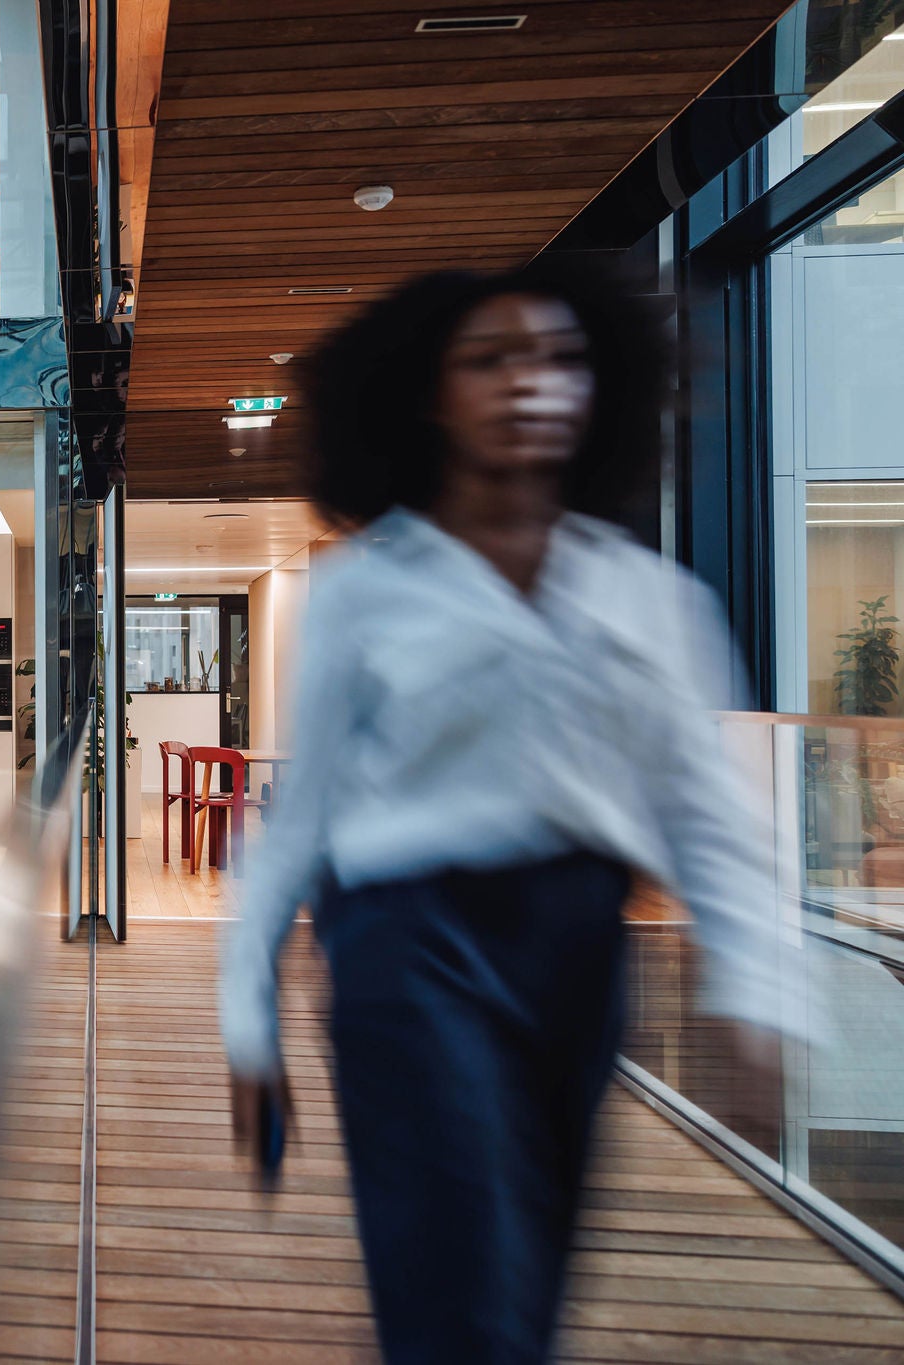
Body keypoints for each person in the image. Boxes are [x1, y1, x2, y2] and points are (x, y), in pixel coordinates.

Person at [220, 263, 793, 1364]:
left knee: (521, 1264)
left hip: (577, 945)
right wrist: (245, 1015)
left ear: (595, 392)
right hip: (403, 940)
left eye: (558, 359)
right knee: (464, 1280)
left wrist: (753, 984)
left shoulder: (648, 597)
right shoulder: (365, 589)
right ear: (434, 394)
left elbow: (706, 810)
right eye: (492, 360)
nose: (529, 383)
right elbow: (298, 817)